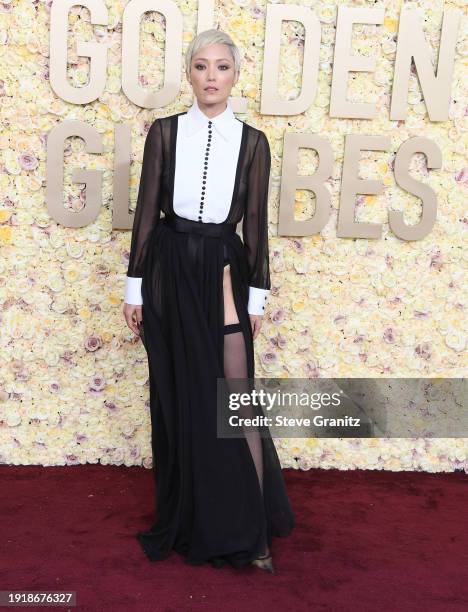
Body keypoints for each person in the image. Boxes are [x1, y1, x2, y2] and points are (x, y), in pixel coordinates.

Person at [123, 28, 294, 573]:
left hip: (223, 269)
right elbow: (147, 215)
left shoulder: (254, 142)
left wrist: (258, 298)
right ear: (190, 74)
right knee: (179, 396)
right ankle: (194, 514)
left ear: (235, 75)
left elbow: (258, 229)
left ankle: (254, 531)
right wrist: (134, 288)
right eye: (201, 67)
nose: (211, 77)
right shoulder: (164, 133)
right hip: (169, 272)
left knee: (234, 395)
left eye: (221, 67)